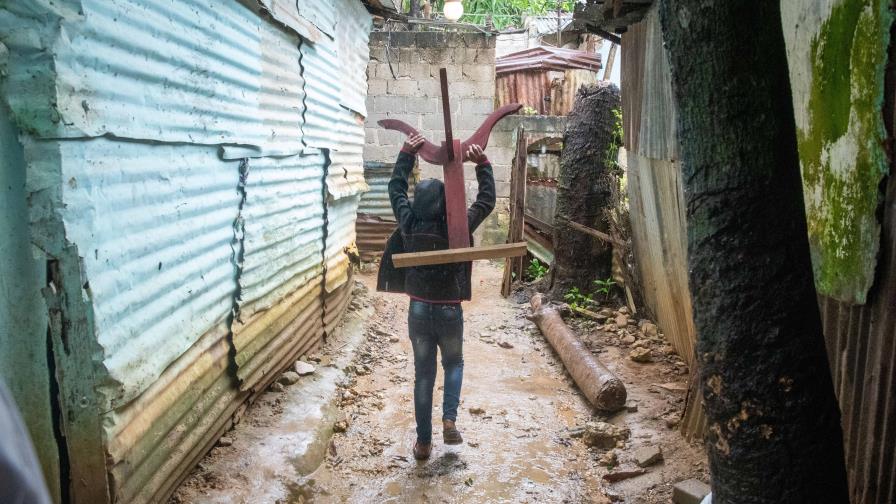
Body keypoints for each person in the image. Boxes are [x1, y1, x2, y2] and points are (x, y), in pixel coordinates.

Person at [377, 133, 495, 460]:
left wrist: (406, 153)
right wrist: (482, 164)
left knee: (424, 374)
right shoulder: (457, 227)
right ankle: (449, 419)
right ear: (446, 204)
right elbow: (486, 201)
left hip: (418, 311)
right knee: (454, 362)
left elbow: (395, 189)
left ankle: (423, 443)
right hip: (449, 312)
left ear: (418, 203)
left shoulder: (409, 223)